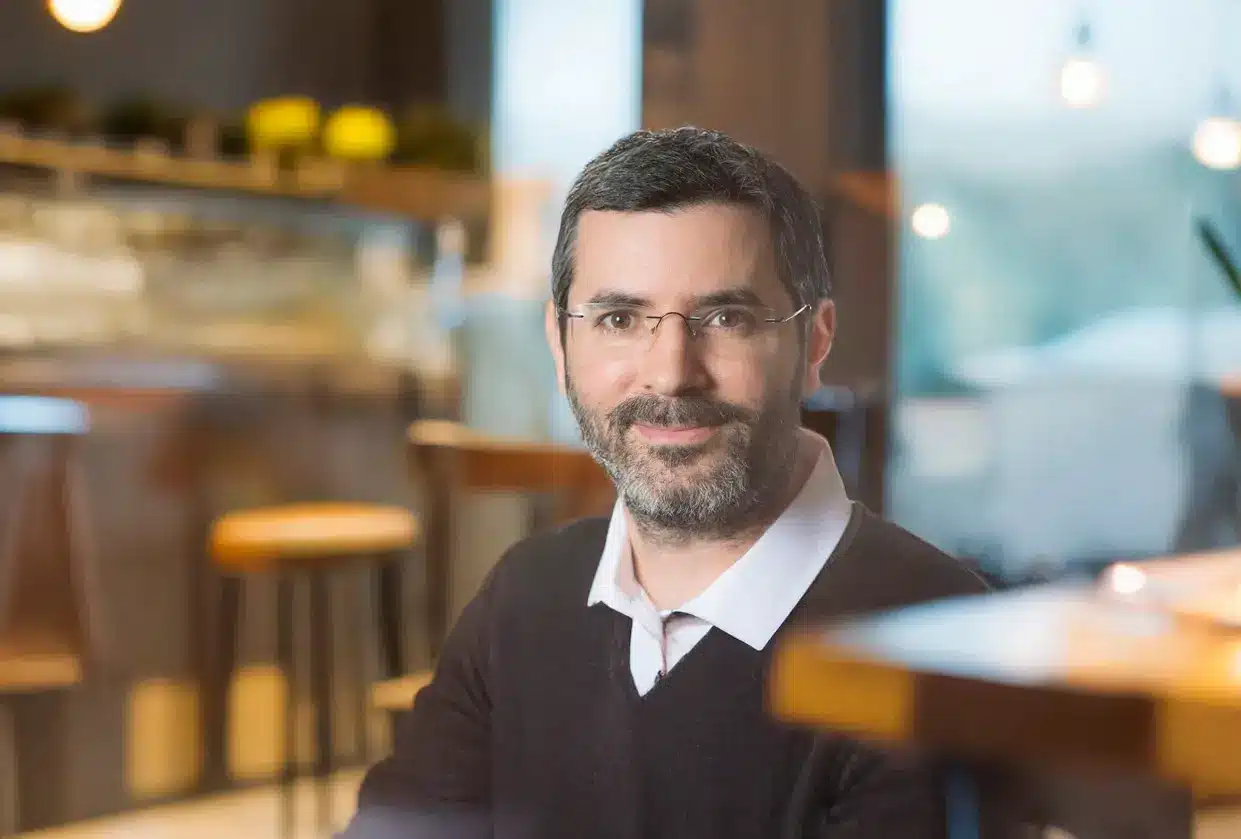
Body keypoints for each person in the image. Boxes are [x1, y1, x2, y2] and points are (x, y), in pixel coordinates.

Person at [344, 127, 988, 839]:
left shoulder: (937, 644)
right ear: (560, 345)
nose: (670, 371)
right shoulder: (524, 596)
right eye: (619, 318)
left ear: (815, 343)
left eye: (725, 317)